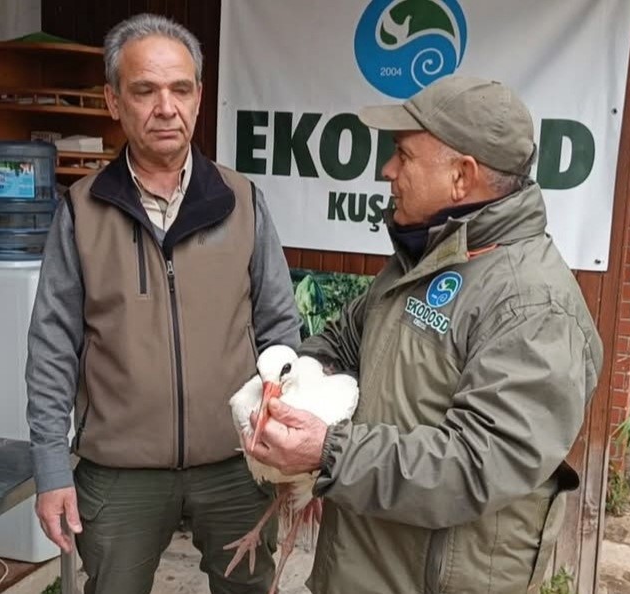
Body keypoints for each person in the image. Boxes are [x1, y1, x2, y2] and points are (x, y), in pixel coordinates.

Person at [246, 76, 604, 594]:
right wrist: (296, 383)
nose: (388, 171)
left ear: (462, 176)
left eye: (404, 155)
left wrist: (329, 453)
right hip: (360, 565)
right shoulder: (423, 260)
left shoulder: (534, 306)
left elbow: (477, 465)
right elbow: (344, 341)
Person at [25, 13, 301, 594]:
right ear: (113, 101)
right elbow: (53, 349)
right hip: (118, 475)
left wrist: (284, 452)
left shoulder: (242, 201)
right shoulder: (81, 211)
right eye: (144, 90)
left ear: (200, 98)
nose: (165, 106)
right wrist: (52, 470)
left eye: (180, 89)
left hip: (235, 465)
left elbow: (280, 332)